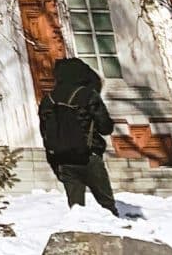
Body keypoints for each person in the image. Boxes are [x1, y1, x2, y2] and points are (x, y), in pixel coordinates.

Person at [39, 55, 120, 214]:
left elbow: (45, 133)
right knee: (107, 205)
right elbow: (105, 128)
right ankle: (115, 232)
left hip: (63, 159)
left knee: (76, 210)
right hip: (89, 157)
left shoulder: (47, 100)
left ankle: (79, 235)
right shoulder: (88, 94)